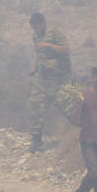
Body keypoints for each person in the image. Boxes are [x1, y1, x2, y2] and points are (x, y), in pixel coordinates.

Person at [28, 13, 71, 152]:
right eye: (33, 28)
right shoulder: (35, 37)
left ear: (43, 23)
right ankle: (36, 140)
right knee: (35, 104)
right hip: (42, 76)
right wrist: (34, 67)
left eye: (37, 27)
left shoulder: (55, 33)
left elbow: (66, 50)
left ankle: (78, 134)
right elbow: (39, 54)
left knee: (65, 105)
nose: (35, 30)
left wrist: (48, 45)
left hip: (58, 77)